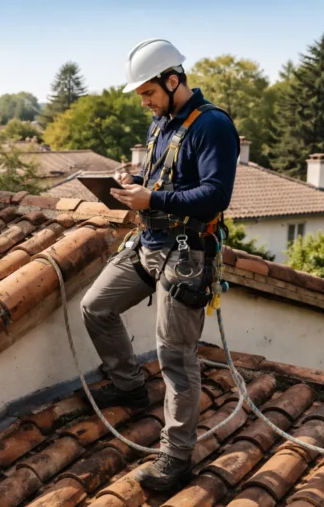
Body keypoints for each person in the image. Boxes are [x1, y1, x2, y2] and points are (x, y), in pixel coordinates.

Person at [80, 38, 239, 490]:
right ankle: (130, 385)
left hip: (187, 253)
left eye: (148, 93)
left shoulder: (212, 127)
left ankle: (177, 455)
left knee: (175, 356)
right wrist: (133, 183)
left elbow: (215, 196)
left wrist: (153, 197)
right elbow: (164, 178)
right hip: (147, 244)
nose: (145, 103)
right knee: (96, 306)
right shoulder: (162, 125)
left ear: (173, 80)